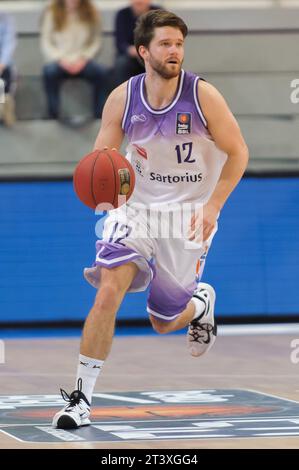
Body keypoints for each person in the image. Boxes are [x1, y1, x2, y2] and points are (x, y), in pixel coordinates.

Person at [52, 10, 249, 429]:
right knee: (108, 290)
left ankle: (200, 305)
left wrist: (213, 205)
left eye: (179, 43)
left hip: (188, 215)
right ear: (143, 51)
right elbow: (102, 160)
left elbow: (239, 152)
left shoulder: (203, 96)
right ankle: (81, 399)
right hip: (136, 209)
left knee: (162, 322)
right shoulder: (123, 98)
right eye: (165, 43)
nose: (174, 51)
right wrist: (105, 197)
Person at [41, 0, 106, 120]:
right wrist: (60, 59)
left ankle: (100, 115)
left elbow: (96, 41)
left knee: (101, 72)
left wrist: (84, 58)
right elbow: (46, 42)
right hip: (60, 61)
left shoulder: (91, 12)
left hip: (83, 60)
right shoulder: (52, 12)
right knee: (49, 72)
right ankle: (53, 115)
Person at [114, 0, 160, 87]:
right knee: (121, 63)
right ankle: (124, 94)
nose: (139, 1)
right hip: (131, 56)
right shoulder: (122, 14)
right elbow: (120, 43)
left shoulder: (158, 13)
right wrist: (134, 50)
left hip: (152, 53)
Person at [0, 13, 17, 127]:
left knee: (3, 79)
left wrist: (2, 64)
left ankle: (4, 111)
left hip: (3, 64)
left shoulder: (6, 19)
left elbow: (9, 44)